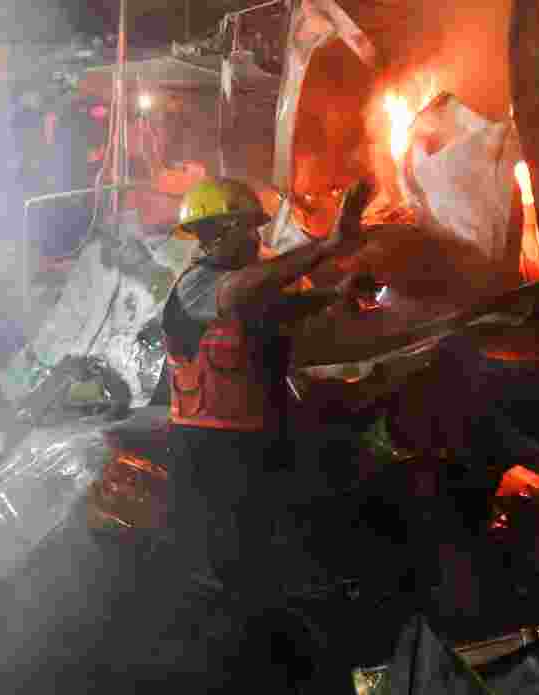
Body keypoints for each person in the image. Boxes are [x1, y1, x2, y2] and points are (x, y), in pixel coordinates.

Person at [161, 176, 373, 687]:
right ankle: (235, 670)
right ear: (222, 231)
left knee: (265, 561)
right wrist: (324, 248)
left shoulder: (245, 285)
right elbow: (241, 295)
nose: (257, 239)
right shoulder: (198, 284)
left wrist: (334, 294)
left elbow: (280, 310)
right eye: (250, 229)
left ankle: (276, 661)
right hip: (209, 452)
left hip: (254, 443)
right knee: (229, 574)